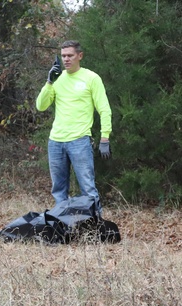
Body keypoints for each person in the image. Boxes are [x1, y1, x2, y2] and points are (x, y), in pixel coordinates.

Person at [36, 40, 112, 216]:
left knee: (87, 187)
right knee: (59, 189)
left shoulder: (91, 78)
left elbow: (104, 109)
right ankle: (61, 227)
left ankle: (97, 227)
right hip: (56, 141)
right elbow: (40, 106)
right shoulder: (57, 79)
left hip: (79, 140)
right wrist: (49, 82)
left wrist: (105, 137)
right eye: (63, 56)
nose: (66, 59)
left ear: (80, 56)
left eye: (70, 55)